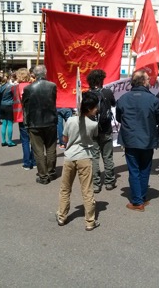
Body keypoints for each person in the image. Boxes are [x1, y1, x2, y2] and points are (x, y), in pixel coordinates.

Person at [116, 70, 159, 211]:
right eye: (148, 79)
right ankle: (140, 199)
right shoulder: (153, 99)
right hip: (147, 138)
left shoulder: (123, 99)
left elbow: (119, 118)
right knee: (143, 169)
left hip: (131, 139)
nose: (150, 81)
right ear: (143, 81)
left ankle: (139, 200)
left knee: (136, 170)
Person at [55, 91, 100, 231]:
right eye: (95, 107)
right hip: (85, 157)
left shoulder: (70, 120)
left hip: (69, 157)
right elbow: (94, 138)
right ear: (89, 108)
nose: (97, 109)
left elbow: (64, 139)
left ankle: (62, 216)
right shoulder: (93, 124)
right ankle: (90, 221)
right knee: (87, 190)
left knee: (65, 188)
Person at [22, 65, 58, 185]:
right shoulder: (52, 86)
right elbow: (53, 101)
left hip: (35, 122)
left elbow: (25, 106)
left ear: (34, 74)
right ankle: (51, 172)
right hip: (50, 120)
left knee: (38, 150)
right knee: (51, 148)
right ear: (45, 73)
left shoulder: (29, 88)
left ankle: (43, 176)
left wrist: (26, 123)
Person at [87, 69, 117, 193]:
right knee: (108, 156)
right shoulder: (107, 92)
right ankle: (109, 182)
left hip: (92, 129)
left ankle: (96, 184)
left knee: (94, 157)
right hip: (106, 129)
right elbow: (114, 104)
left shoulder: (87, 94)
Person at [12, 68, 36, 170]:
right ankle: (34, 162)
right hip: (33, 116)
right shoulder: (33, 87)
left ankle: (27, 163)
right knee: (34, 140)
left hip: (21, 116)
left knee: (25, 140)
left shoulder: (14, 88)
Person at [0, 74, 16, 147]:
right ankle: (9, 141)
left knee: (4, 123)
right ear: (7, 79)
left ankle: (3, 141)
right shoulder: (11, 86)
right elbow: (15, 96)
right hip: (9, 105)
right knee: (10, 124)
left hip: (2, 105)